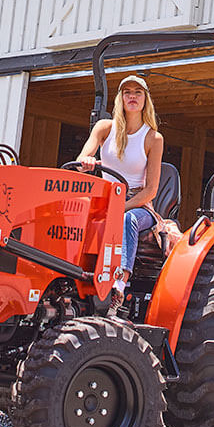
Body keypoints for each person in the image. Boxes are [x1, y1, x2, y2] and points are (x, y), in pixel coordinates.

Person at [76, 75, 164, 314]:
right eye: (127, 92)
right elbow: (82, 159)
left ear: (145, 99)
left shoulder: (153, 138)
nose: (132, 96)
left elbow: (151, 190)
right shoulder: (104, 128)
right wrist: (86, 160)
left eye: (138, 92)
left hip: (137, 203)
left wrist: (121, 207)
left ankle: (118, 284)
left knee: (128, 220)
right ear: (120, 98)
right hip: (106, 198)